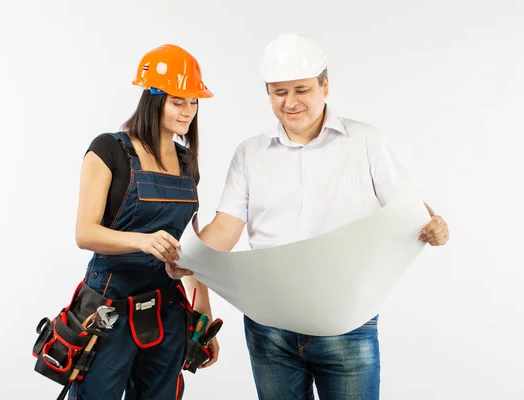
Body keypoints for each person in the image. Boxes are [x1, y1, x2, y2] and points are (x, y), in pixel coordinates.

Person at [167, 32, 450, 400]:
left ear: (325, 85)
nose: (291, 103)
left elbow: (409, 210)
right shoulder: (250, 153)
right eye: (279, 92)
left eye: (301, 90)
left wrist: (435, 226)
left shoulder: (365, 141)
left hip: (346, 325)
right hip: (269, 328)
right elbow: (226, 228)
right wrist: (190, 260)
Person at [70, 44, 219, 400]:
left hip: (167, 308)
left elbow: (191, 243)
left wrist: (203, 310)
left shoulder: (187, 163)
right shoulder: (109, 151)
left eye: (194, 102)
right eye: (178, 101)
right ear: (153, 99)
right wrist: (141, 240)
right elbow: (84, 232)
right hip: (110, 308)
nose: (188, 112)